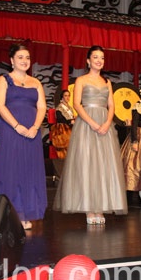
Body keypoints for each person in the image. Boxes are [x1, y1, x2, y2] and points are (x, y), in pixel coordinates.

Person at [54, 45, 128, 225]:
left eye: (102, 57)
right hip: (87, 124)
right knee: (87, 165)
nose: (99, 60)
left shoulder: (107, 82)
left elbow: (112, 105)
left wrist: (107, 122)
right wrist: (93, 123)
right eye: (95, 57)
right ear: (88, 61)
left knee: (104, 166)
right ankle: (89, 208)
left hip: (105, 125)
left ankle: (100, 207)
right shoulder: (81, 80)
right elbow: (77, 104)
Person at [0, 44, 48, 230]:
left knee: (29, 171)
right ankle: (12, 214)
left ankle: (27, 212)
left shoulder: (36, 82)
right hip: (11, 130)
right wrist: (17, 126)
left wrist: (35, 127)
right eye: (20, 57)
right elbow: (0, 105)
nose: (25, 61)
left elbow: (42, 107)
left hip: (32, 132)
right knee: (12, 170)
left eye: (27, 57)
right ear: (12, 60)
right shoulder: (4, 80)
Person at [50, 88, 75, 159]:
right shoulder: (59, 108)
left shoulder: (70, 108)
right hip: (63, 129)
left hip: (71, 127)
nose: (67, 97)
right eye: (65, 95)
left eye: (68, 95)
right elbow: (60, 119)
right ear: (62, 97)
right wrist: (70, 121)